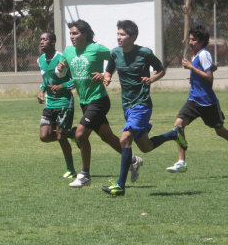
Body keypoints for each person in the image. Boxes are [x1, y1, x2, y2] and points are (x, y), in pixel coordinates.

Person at [101, 20, 187, 196]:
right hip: (127, 106)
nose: (119, 37)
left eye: (123, 34)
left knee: (125, 139)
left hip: (142, 104)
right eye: (118, 34)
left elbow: (161, 70)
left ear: (133, 37)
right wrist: (106, 78)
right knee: (146, 147)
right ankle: (174, 134)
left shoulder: (144, 53)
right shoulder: (115, 53)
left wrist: (151, 80)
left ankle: (120, 186)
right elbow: (109, 70)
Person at [56, 19, 142, 188]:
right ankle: (133, 160)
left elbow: (116, 58)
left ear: (85, 34)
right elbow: (62, 73)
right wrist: (60, 70)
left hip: (99, 100)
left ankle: (85, 175)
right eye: (71, 34)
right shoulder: (67, 52)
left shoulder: (96, 49)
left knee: (80, 134)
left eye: (75, 33)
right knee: (107, 137)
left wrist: (106, 75)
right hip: (85, 102)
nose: (72, 37)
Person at [167, 24, 228, 175]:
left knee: (220, 131)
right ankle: (181, 162)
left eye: (193, 40)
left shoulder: (204, 54)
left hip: (207, 102)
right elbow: (212, 67)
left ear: (201, 41)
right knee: (178, 126)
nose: (190, 42)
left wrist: (191, 68)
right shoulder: (197, 54)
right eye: (190, 39)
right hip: (193, 100)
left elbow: (209, 77)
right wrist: (194, 76)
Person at [37, 32, 77, 179]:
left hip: (65, 103)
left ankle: (71, 169)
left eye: (45, 39)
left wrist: (62, 86)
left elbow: (76, 80)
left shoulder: (62, 59)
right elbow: (46, 79)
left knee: (60, 136)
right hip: (50, 103)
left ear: (53, 42)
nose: (42, 42)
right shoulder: (40, 60)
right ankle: (73, 134)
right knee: (44, 136)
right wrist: (42, 91)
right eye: (40, 39)